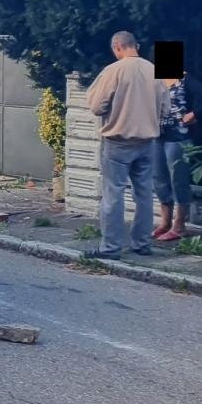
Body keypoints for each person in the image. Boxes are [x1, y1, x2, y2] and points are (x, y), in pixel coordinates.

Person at [83, 31, 166, 260]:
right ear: (135, 45)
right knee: (145, 194)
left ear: (117, 46)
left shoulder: (113, 71)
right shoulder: (155, 69)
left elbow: (97, 106)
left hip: (117, 142)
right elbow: (166, 108)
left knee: (114, 194)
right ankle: (142, 243)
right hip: (148, 142)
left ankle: (110, 247)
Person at [152, 70, 202, 241]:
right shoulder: (154, 79)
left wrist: (193, 114)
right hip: (156, 136)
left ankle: (179, 225)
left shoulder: (185, 79)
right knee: (158, 179)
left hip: (178, 138)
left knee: (178, 179)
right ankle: (165, 223)